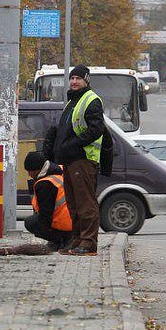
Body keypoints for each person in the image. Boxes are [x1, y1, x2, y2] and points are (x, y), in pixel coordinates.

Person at [49, 64, 104, 256]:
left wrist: (73, 144)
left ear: (86, 80)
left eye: (78, 78)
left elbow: (96, 130)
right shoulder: (73, 101)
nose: (73, 81)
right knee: (73, 203)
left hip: (84, 159)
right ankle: (78, 240)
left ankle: (89, 243)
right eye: (72, 78)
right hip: (71, 160)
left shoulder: (91, 100)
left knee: (85, 203)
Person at [23, 151, 72, 251]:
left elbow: (45, 215)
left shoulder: (45, 184)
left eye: (29, 171)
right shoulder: (60, 170)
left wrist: (46, 234)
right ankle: (63, 238)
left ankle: (61, 240)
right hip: (76, 222)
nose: (29, 174)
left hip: (66, 225)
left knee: (31, 223)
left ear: (36, 170)